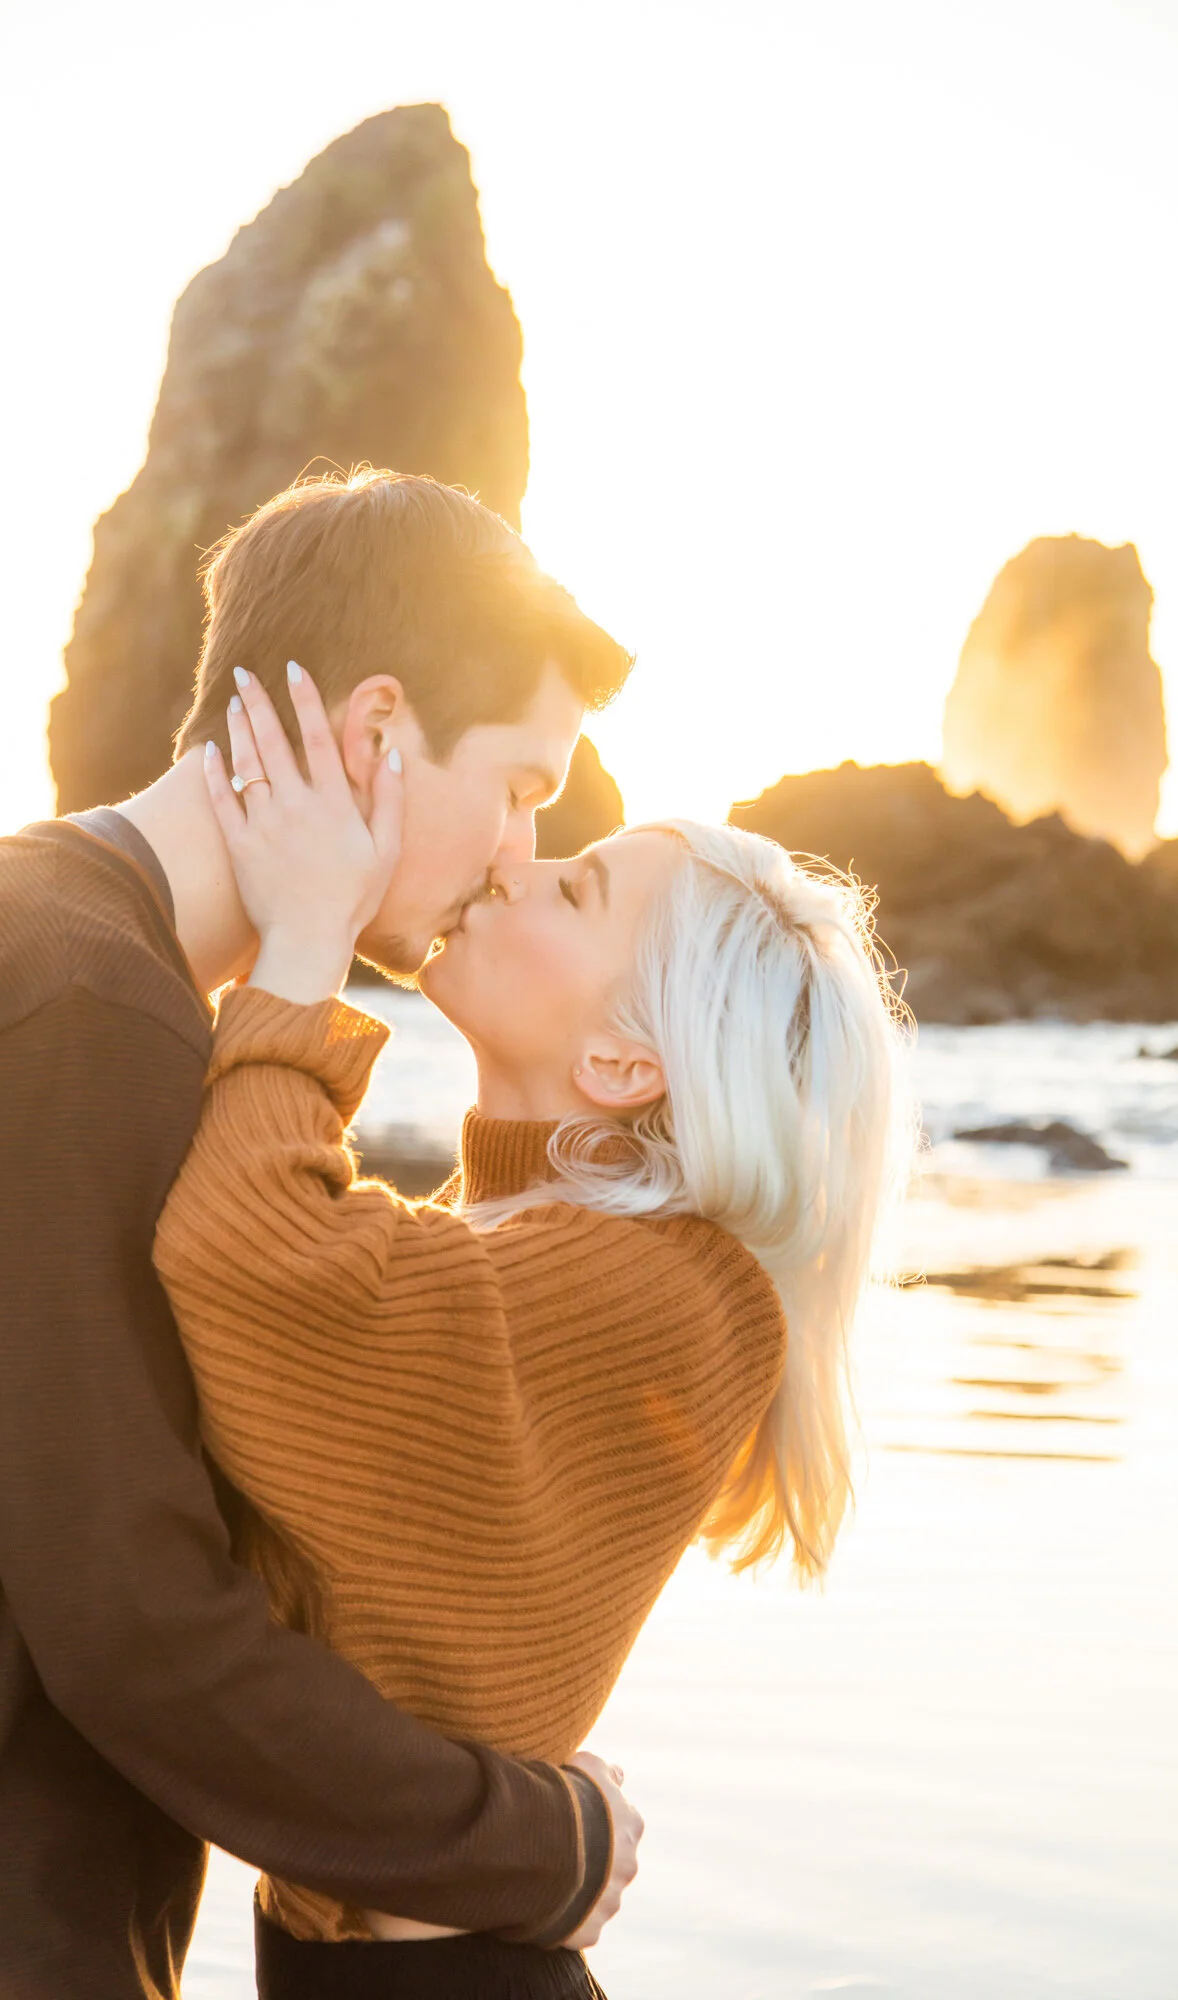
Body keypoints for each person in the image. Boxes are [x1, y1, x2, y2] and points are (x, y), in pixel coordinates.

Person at [0, 470, 644, 2000]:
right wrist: (539, 1846)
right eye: (524, 790)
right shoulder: (69, 1000)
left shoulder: (71, 962)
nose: (520, 859)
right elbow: (134, 1622)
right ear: (377, 734)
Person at [153, 664, 913, 1999]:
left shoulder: (662, 1297)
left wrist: (304, 940)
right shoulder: (522, 1253)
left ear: (627, 1063)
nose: (517, 865)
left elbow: (250, 1264)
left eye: (577, 888)